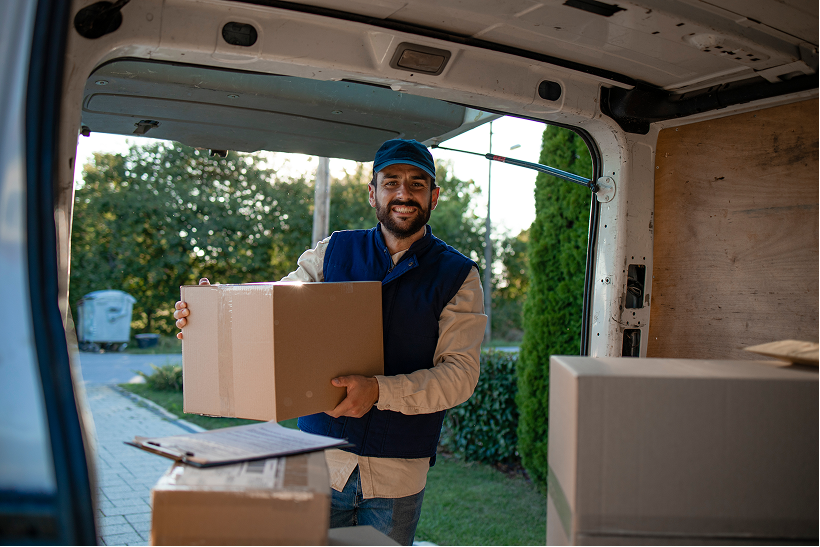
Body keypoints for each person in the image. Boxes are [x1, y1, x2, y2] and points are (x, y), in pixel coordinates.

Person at [174, 139, 486, 545]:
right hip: (319, 463)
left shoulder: (458, 275)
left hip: (397, 476)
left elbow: (460, 375)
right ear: (372, 192)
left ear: (434, 196)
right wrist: (213, 313)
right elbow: (273, 312)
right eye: (391, 182)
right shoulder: (333, 251)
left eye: (417, 183)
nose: (404, 194)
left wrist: (378, 391)